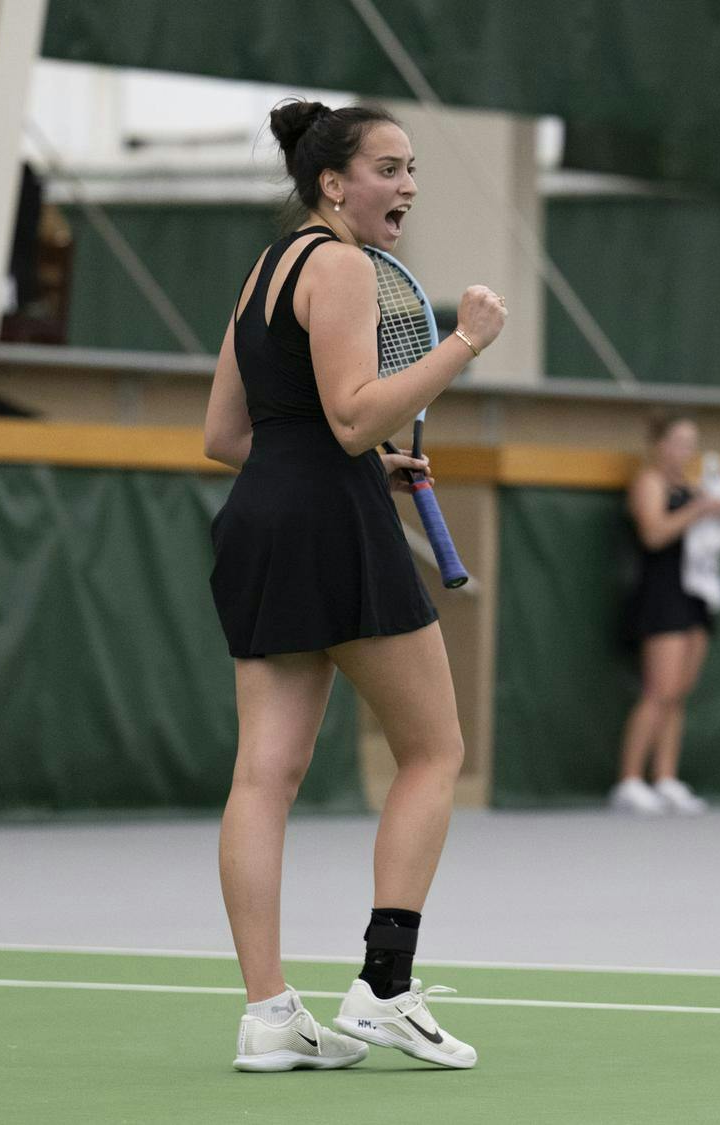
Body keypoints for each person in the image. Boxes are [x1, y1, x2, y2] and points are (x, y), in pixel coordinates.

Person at [200, 100, 506, 1072]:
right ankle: (383, 989)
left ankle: (269, 1017)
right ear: (333, 182)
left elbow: (226, 437)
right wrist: (460, 344)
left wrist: (369, 470)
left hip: (260, 520)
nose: (406, 184)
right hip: (329, 531)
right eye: (387, 167)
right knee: (433, 750)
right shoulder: (338, 266)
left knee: (263, 774)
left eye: (411, 167)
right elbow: (346, 415)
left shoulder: (265, 270)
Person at [610, 416, 720, 816]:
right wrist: (699, 509)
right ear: (658, 444)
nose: (685, 450)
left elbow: (715, 539)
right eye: (678, 441)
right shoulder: (649, 482)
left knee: (678, 694)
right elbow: (654, 534)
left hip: (695, 595)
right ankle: (629, 780)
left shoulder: (694, 486)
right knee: (658, 690)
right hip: (660, 595)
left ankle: (665, 778)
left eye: (691, 443)